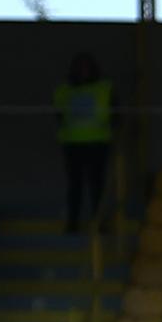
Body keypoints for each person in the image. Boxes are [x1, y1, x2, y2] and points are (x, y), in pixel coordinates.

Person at [55, 53, 114, 230]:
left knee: (97, 185)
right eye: (80, 67)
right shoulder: (64, 90)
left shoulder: (104, 88)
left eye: (86, 67)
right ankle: (73, 222)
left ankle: (99, 222)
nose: (83, 71)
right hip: (73, 144)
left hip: (97, 143)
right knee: (75, 186)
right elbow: (58, 115)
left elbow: (116, 114)